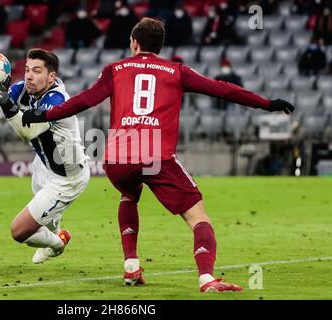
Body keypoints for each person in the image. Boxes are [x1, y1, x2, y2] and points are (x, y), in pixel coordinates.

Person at [21, 17, 294, 292]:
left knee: (129, 194)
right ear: (159, 47)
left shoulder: (115, 69)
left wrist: (45, 113)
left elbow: (86, 99)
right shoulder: (176, 71)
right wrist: (267, 104)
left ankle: (131, 266)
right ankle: (207, 278)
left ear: (134, 43)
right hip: (155, 155)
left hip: (117, 157)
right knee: (198, 218)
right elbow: (222, 89)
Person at [0, 49, 90, 264]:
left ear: (51, 77)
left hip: (68, 178)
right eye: (26, 70)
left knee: (19, 231)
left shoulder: (58, 100)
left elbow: (28, 132)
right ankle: (55, 231)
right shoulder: (21, 90)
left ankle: (58, 243)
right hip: (43, 166)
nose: (29, 76)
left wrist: (6, 103)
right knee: (45, 218)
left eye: (36, 71)